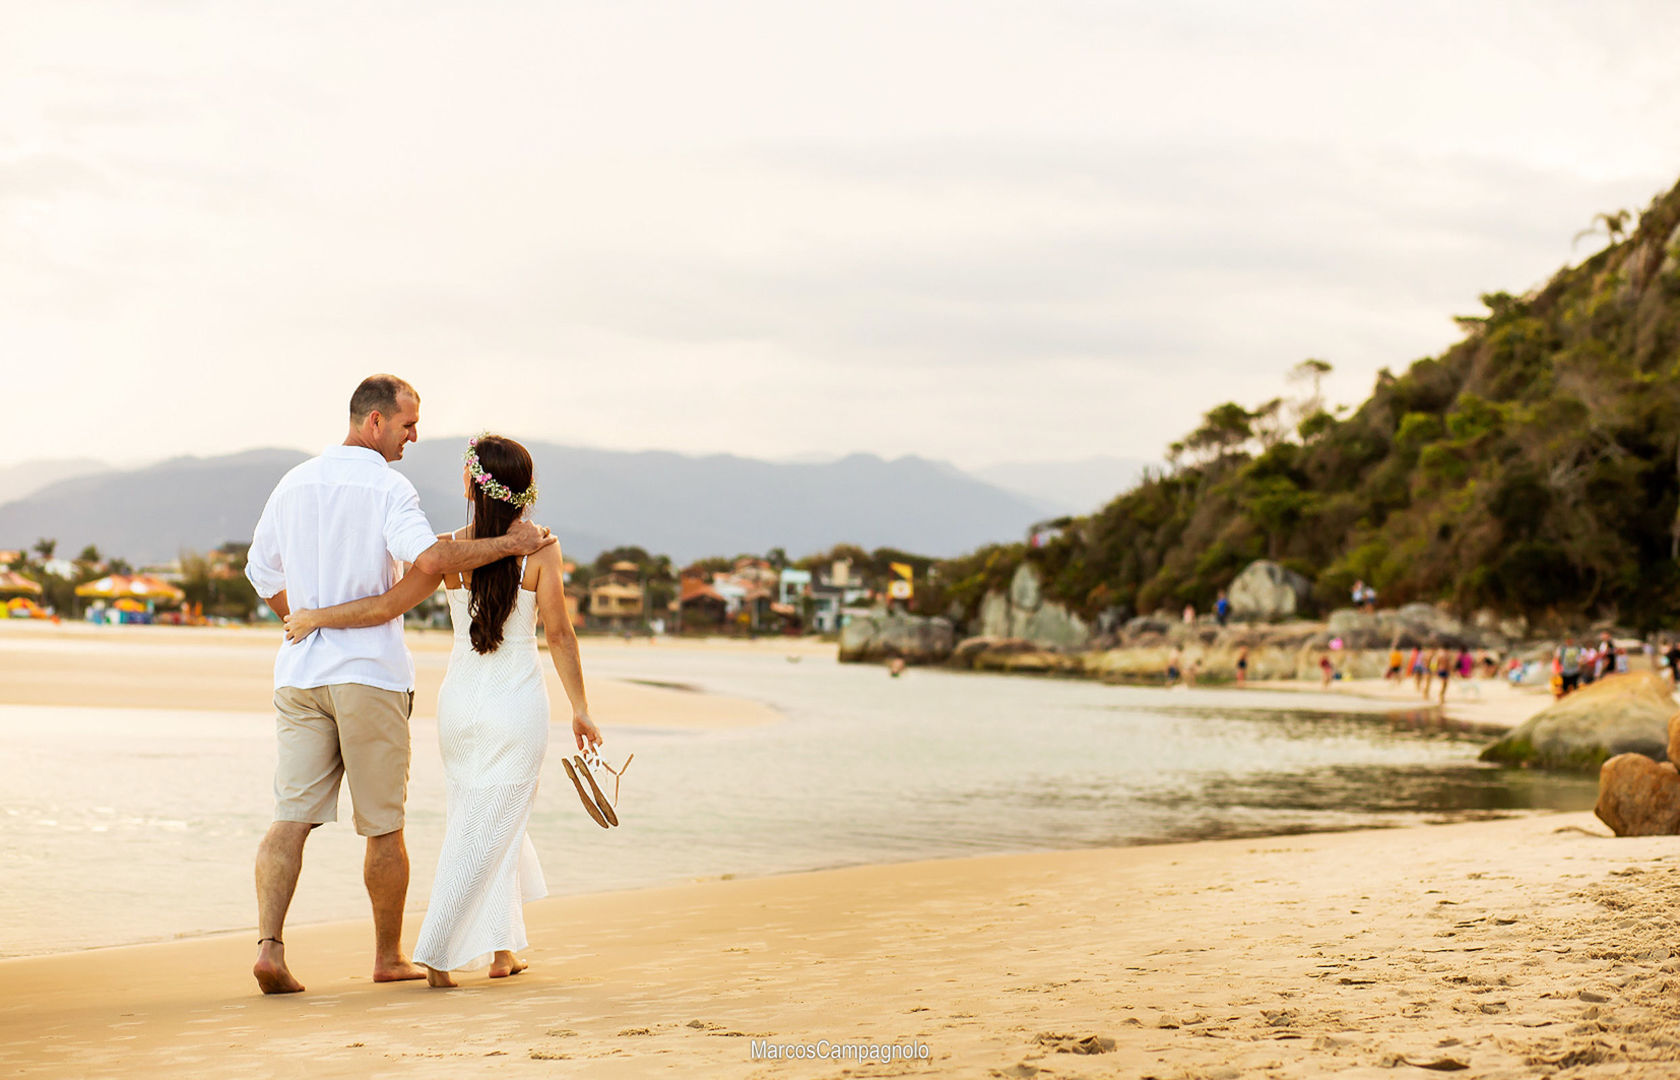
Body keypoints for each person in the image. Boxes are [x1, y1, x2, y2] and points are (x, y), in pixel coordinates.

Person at [243, 377, 557, 995]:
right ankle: (388, 956)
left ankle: (270, 948)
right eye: (409, 425)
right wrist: (515, 543)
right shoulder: (388, 487)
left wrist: (302, 617)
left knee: (291, 818)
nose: (414, 437)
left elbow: (260, 571)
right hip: (369, 677)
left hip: (300, 674)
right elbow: (432, 562)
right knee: (383, 824)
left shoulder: (292, 482)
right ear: (375, 422)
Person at [284, 434, 601, 988]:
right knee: (492, 823)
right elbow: (560, 635)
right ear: (522, 488)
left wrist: (314, 616)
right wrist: (581, 708)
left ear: (471, 485)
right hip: (516, 702)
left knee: (488, 820)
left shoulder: (448, 550)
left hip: (459, 706)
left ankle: (503, 951)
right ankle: (440, 948)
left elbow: (386, 606)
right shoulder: (542, 550)